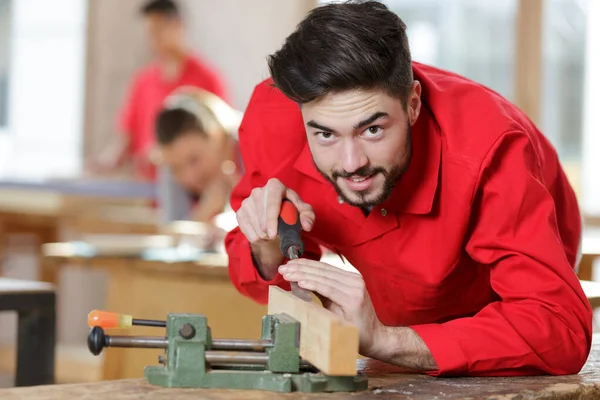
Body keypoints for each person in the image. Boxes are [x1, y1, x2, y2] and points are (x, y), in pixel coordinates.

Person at [224, 1, 591, 377]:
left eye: (372, 129)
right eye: (325, 134)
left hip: (494, 314)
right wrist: (266, 246)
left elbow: (557, 332)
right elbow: (257, 275)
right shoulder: (277, 116)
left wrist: (385, 341)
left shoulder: (491, 151)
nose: (351, 163)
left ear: (413, 104)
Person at [88, 0, 228, 181]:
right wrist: (105, 163)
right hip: (149, 190)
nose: (153, 38)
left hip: (192, 190)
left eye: (158, 29)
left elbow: (221, 141)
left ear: (179, 25)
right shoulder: (142, 81)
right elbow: (126, 138)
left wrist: (170, 156)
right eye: (149, 31)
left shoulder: (208, 78)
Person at [154, 86, 243, 223]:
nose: (190, 177)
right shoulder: (170, 162)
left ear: (216, 137)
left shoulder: (249, 144)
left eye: (194, 160)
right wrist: (204, 212)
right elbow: (173, 228)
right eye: (176, 168)